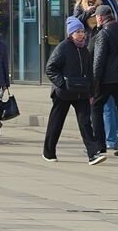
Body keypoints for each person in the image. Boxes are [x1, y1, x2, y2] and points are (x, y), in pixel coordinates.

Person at [41, 17, 103, 165]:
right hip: (63, 93)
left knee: (85, 122)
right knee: (56, 122)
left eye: (82, 31)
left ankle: (93, 154)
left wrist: (91, 92)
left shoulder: (84, 50)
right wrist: (62, 83)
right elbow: (50, 68)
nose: (82, 34)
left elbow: (89, 72)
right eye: (78, 32)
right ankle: (48, 152)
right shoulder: (63, 47)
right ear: (71, 34)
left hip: (81, 92)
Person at [90, 4, 118, 157]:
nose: (96, 20)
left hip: (106, 80)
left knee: (96, 108)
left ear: (101, 17)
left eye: (96, 17)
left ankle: (100, 145)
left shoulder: (103, 34)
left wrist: (94, 83)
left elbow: (98, 60)